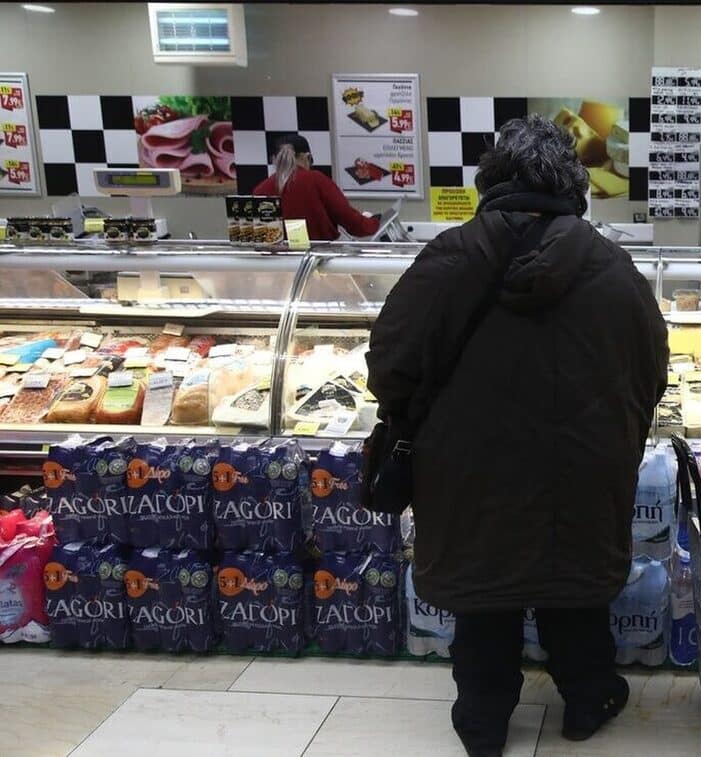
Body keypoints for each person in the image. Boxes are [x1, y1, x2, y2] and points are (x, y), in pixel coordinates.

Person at [366, 115, 668, 757]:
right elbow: (651, 372)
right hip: (582, 471)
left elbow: (390, 365)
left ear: (492, 180)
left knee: (484, 595)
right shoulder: (613, 269)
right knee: (572, 588)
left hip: (468, 473)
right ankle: (587, 700)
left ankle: (482, 723)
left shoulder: (447, 258)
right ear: (573, 183)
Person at [252, 134, 380, 241]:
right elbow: (350, 220)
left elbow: (261, 234)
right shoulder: (316, 179)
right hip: (317, 257)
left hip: (278, 261)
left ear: (274, 159)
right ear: (307, 157)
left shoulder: (260, 189)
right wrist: (374, 222)